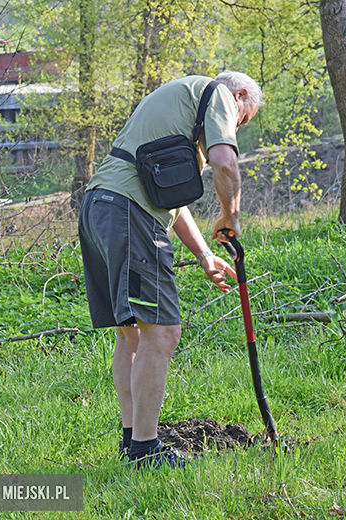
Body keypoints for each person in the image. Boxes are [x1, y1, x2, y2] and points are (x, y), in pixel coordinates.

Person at [78, 71, 262, 469]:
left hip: (101, 207)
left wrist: (203, 256)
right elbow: (225, 163)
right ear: (240, 96)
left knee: (132, 333)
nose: (234, 128)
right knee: (162, 332)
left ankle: (132, 445)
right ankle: (145, 450)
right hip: (128, 214)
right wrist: (232, 217)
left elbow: (171, 204)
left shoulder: (180, 104)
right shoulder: (218, 95)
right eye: (242, 120)